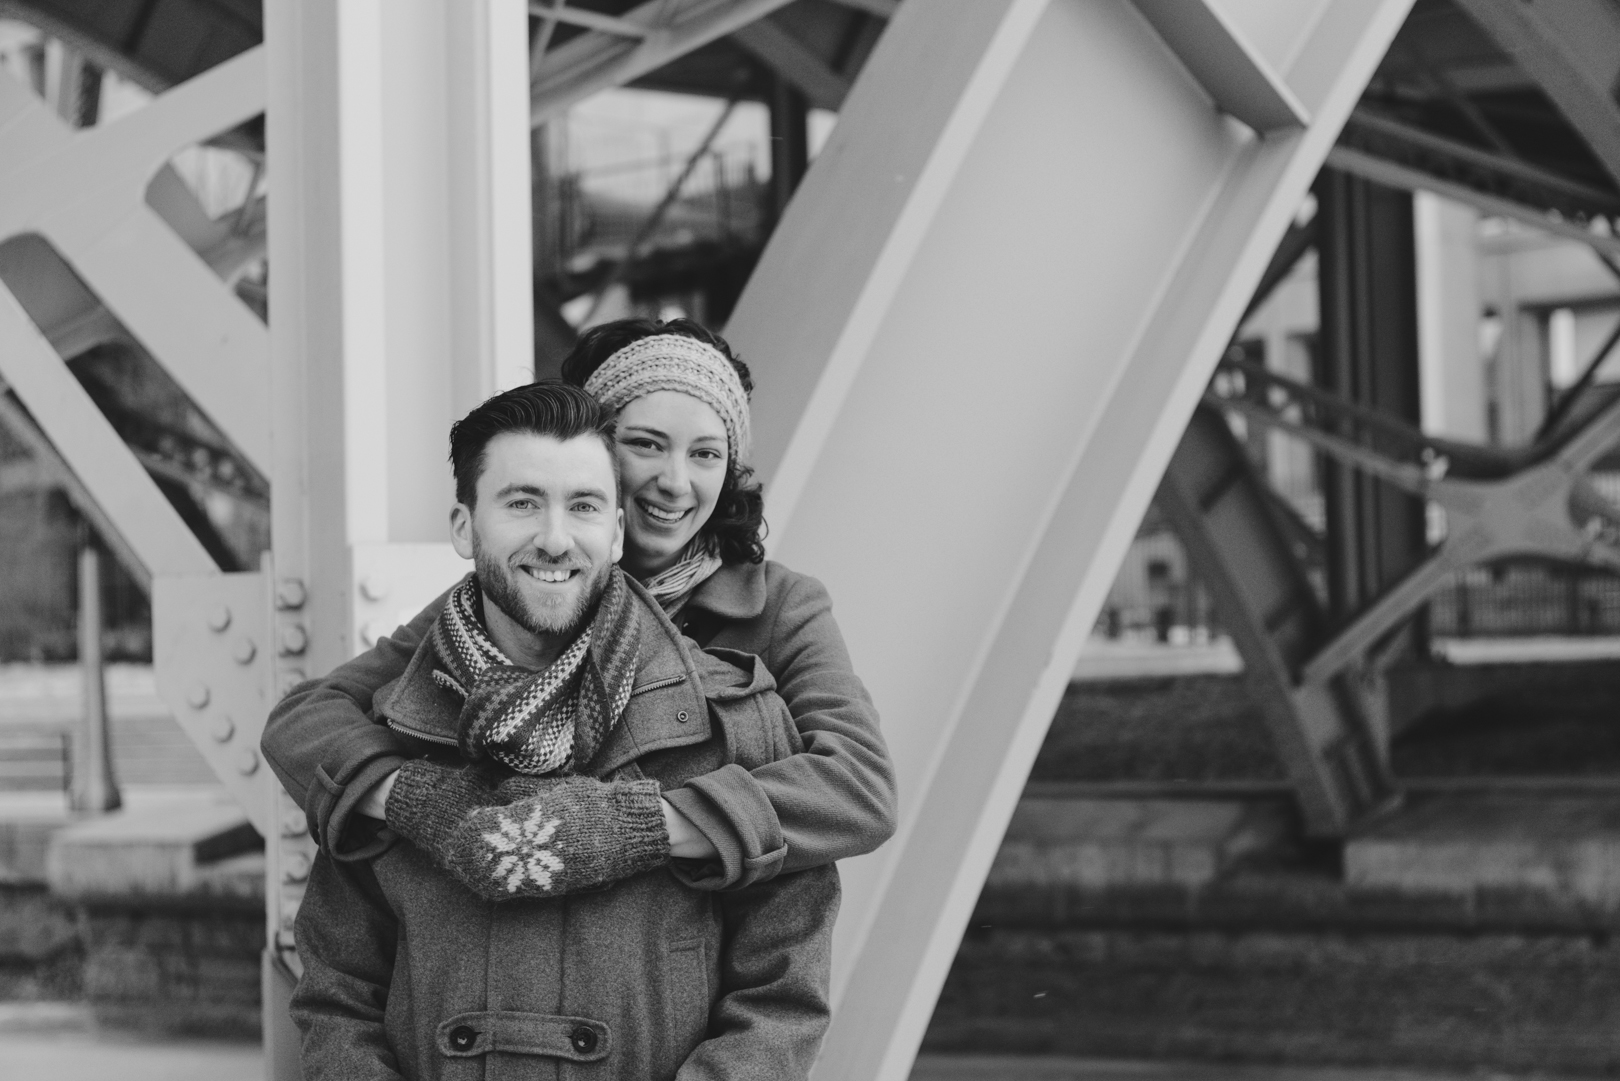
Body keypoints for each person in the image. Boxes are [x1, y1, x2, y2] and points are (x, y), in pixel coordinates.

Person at [290, 382, 836, 1079]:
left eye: (581, 506)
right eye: (522, 502)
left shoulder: (729, 725)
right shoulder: (392, 729)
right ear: (465, 527)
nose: (554, 538)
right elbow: (338, 992)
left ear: (614, 532)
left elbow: (784, 990)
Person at [262, 319, 895, 893]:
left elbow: (859, 786)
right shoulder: (527, 593)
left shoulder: (780, 607)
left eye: (705, 453)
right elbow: (304, 722)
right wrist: (422, 803)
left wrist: (643, 827)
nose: (676, 482)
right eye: (646, 444)